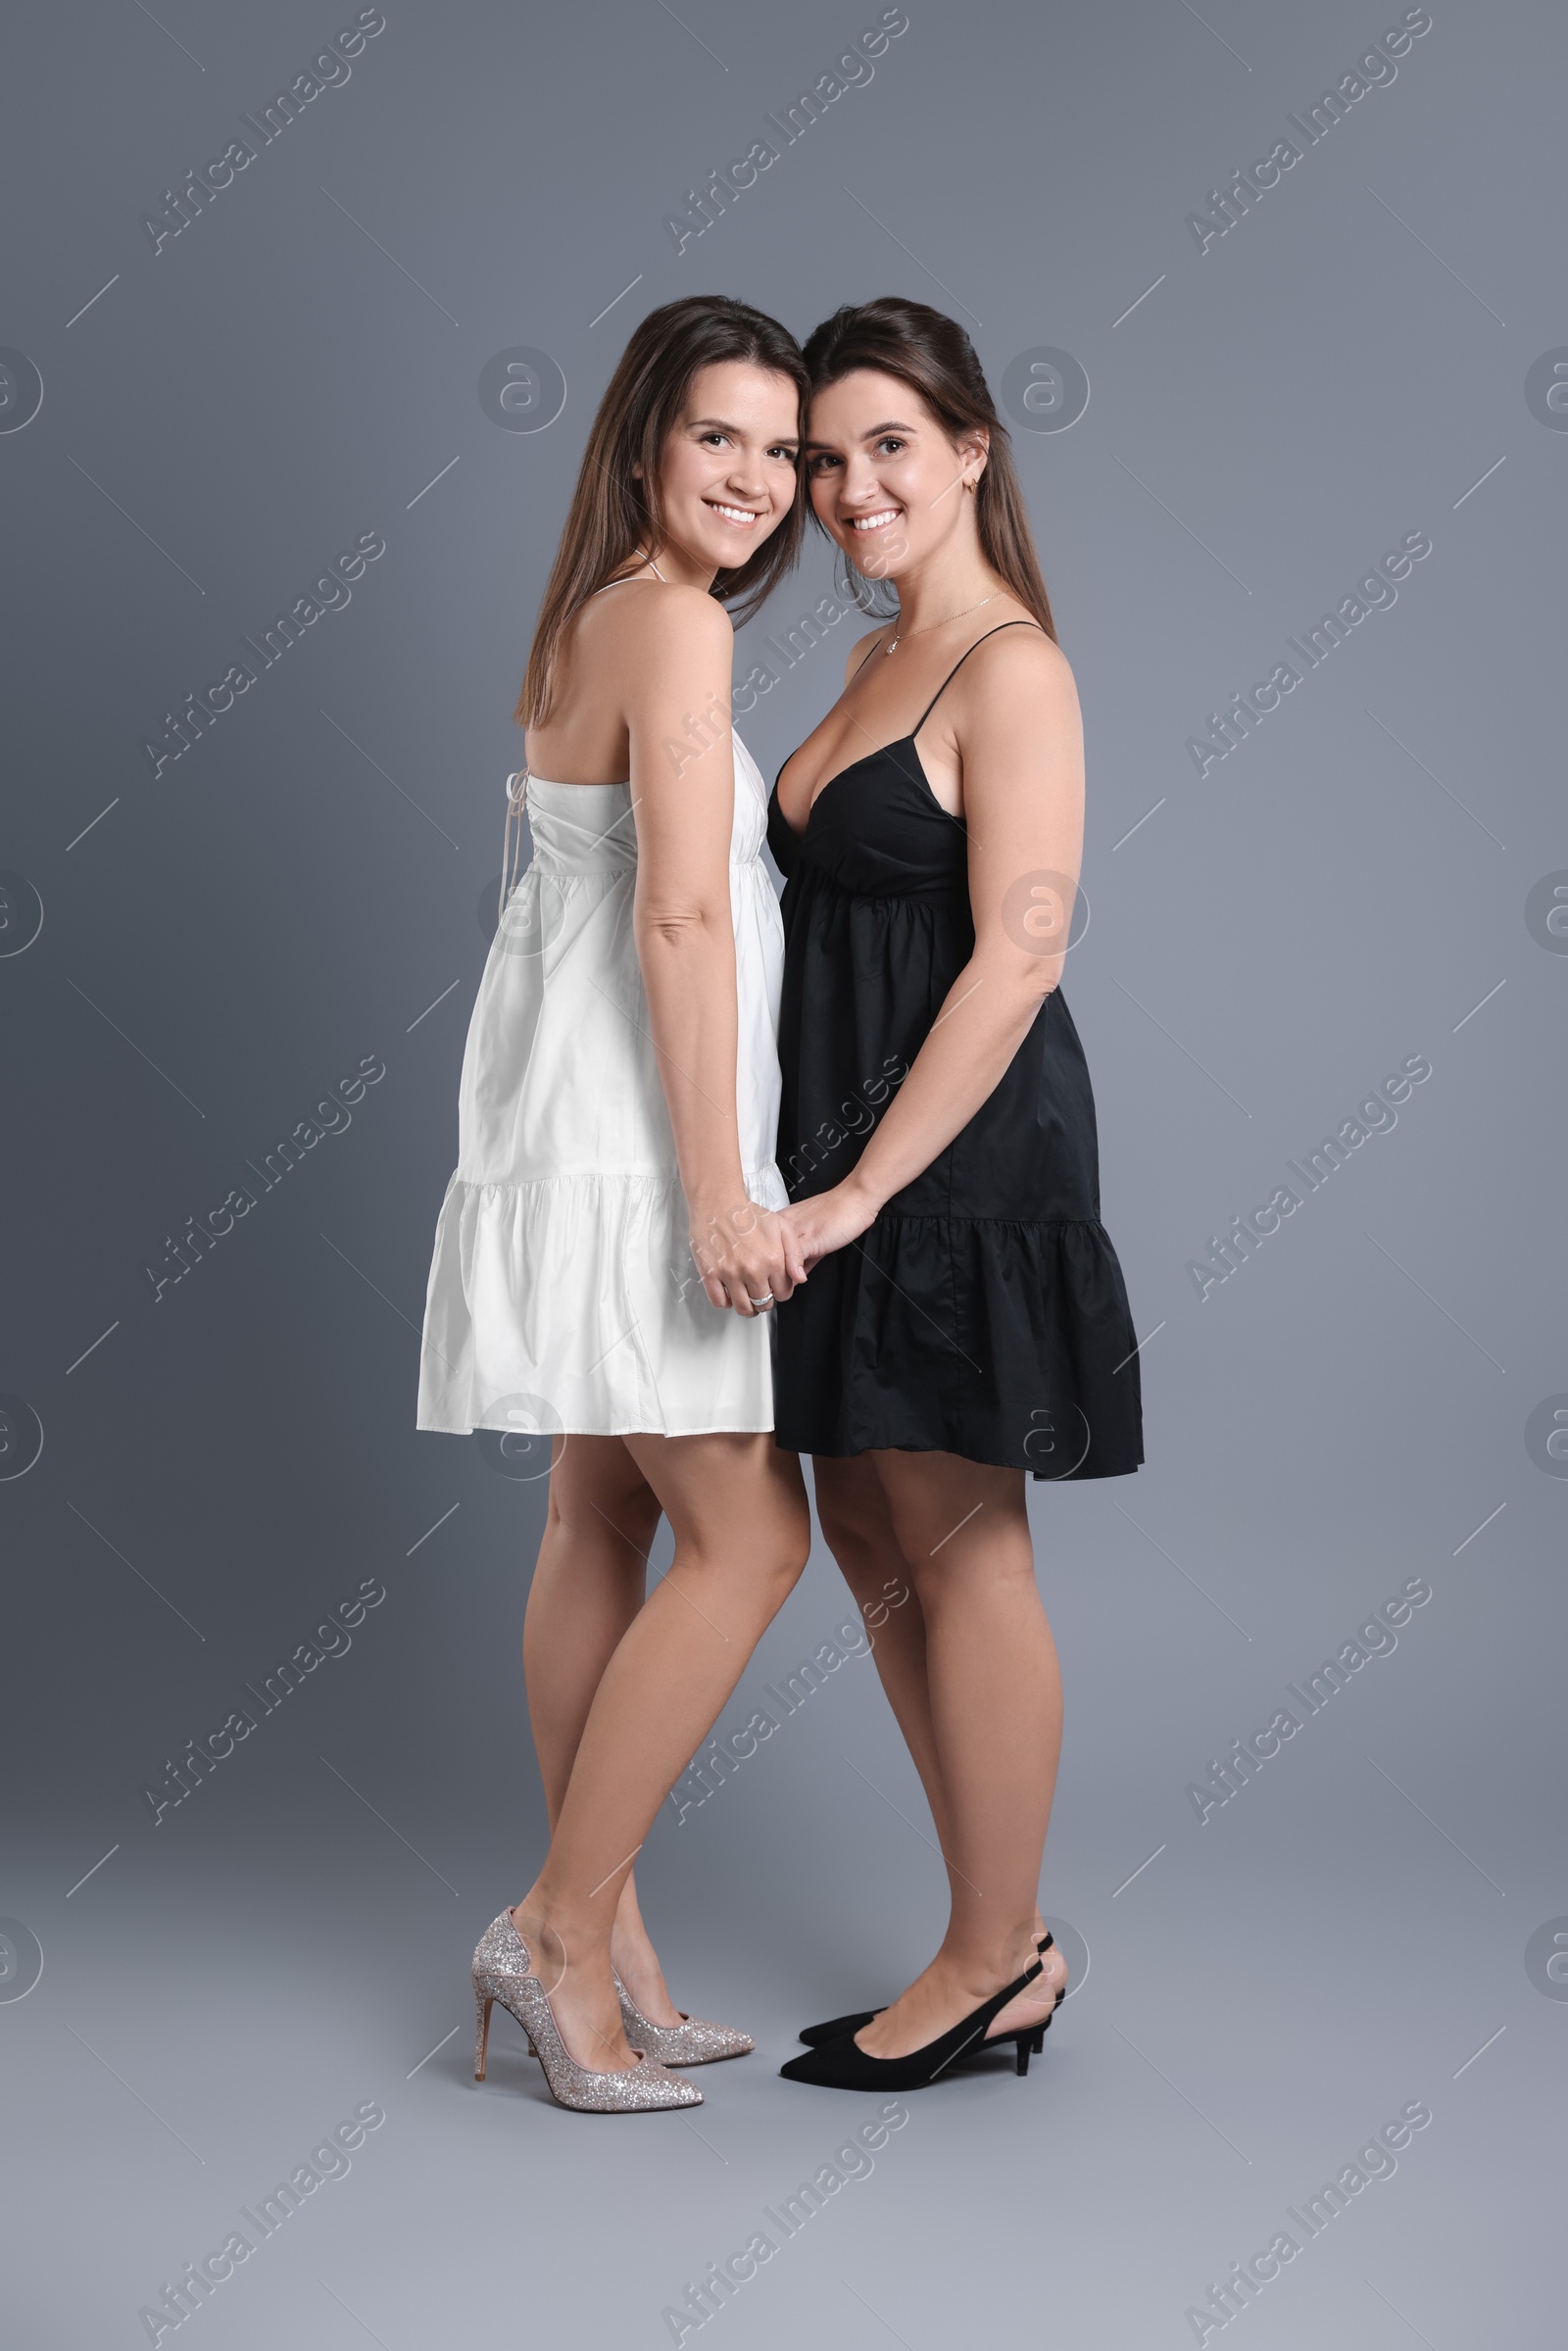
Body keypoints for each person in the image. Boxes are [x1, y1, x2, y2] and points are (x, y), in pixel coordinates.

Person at [416, 296, 813, 2112]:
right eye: (718, 437)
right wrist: (722, 1189)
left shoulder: (596, 617)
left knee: (597, 1521)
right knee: (753, 1541)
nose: (757, 477)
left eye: (781, 449)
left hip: (565, 1118)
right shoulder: (672, 628)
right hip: (638, 1150)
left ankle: (618, 1944)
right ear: (647, 442)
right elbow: (675, 916)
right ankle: (561, 1928)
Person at [765, 298, 1145, 2092]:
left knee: (966, 1550)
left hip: (950, 1165)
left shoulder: (1012, 666)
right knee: (867, 1536)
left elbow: (1021, 953)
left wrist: (855, 1197)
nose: (847, 489)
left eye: (886, 448)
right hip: (842, 1167)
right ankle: (990, 1929)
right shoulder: (877, 657)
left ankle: (1000, 1957)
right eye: (825, 460)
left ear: (975, 448)